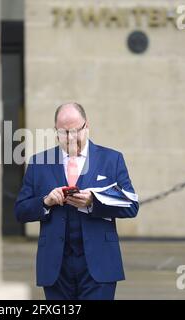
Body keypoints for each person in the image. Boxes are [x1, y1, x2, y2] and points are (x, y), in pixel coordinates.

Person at [14, 102, 139, 300]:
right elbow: (20, 211)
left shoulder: (111, 159)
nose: (71, 138)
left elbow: (131, 206)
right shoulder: (39, 163)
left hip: (99, 264)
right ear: (56, 131)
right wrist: (45, 202)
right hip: (56, 267)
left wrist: (93, 201)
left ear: (87, 126)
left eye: (76, 131)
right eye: (64, 132)